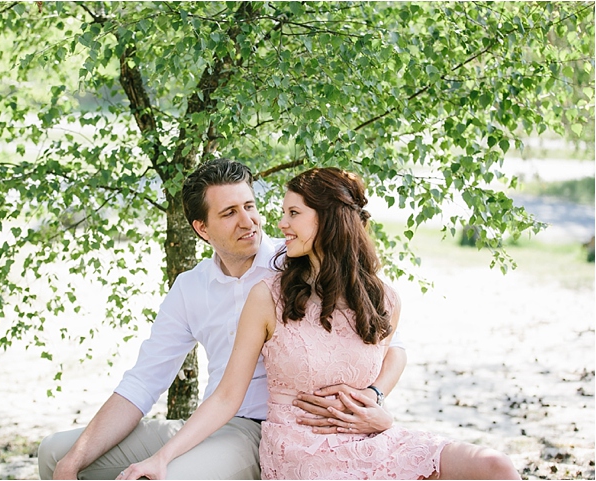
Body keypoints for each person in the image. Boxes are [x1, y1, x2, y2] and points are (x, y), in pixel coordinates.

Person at [117, 167, 520, 480]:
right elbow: (226, 396)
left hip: (369, 438)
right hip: (299, 451)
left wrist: (376, 400)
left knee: (496, 468)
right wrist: (162, 457)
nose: (280, 225)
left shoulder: (383, 298)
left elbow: (392, 354)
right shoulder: (269, 295)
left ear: (327, 220)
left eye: (293, 213)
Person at [38, 159, 408, 479]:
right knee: (57, 455)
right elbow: (143, 383)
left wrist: (372, 399)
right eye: (229, 213)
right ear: (202, 228)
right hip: (210, 420)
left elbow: (390, 347)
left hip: (270, 429)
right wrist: (73, 463)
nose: (249, 222)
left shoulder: (298, 256)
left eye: (250, 206)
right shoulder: (191, 287)